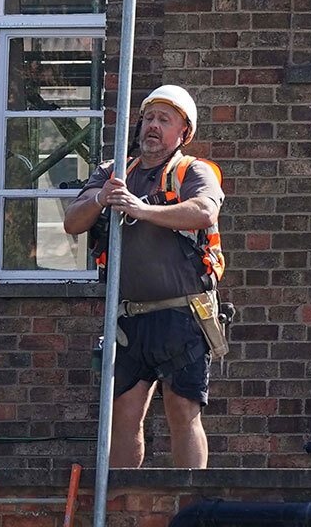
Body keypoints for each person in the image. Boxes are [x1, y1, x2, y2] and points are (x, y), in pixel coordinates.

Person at [62, 85, 225, 469]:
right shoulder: (114, 172)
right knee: (123, 417)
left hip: (181, 315)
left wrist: (141, 209)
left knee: (182, 413)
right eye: (149, 118)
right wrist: (101, 198)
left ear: (183, 132)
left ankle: (188, 507)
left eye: (164, 120)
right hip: (129, 318)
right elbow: (72, 221)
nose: (152, 126)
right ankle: (123, 508)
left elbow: (204, 211)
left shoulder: (191, 170)